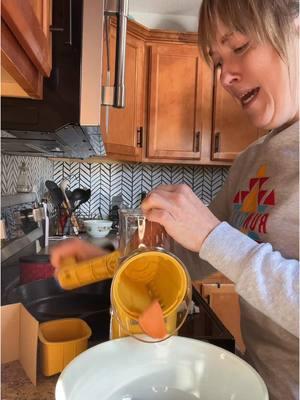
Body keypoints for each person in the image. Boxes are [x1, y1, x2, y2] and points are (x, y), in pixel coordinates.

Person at [51, 1, 299, 399]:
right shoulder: (252, 161)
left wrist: (212, 235)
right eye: (217, 61)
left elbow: (215, 243)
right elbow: (195, 257)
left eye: (238, 47)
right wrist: (107, 256)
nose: (225, 77)